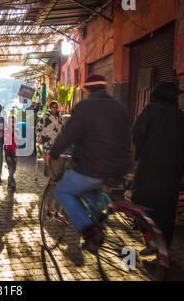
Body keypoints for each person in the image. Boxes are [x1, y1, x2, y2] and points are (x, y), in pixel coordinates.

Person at [46, 74, 131, 252]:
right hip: (118, 167)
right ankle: (98, 222)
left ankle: (91, 230)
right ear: (104, 87)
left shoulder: (84, 107)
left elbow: (67, 136)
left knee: (62, 190)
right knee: (93, 195)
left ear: (87, 90)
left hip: (91, 167)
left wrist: (53, 153)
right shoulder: (119, 107)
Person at [131, 82, 184, 257]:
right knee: (166, 211)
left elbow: (137, 135)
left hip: (148, 170)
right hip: (171, 174)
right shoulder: (180, 115)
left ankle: (150, 242)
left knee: (140, 206)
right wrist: (180, 170)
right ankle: (163, 249)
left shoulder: (150, 110)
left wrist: (140, 156)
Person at [36, 101, 64, 178]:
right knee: (48, 155)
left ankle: (54, 172)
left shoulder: (60, 117)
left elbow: (62, 127)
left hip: (56, 139)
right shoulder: (45, 116)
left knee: (55, 155)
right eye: (53, 107)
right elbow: (39, 127)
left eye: (56, 107)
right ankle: (48, 172)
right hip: (47, 138)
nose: (55, 109)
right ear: (50, 108)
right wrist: (39, 137)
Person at [5, 115, 20, 191]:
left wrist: (14, 133)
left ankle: (9, 178)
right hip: (8, 151)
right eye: (10, 121)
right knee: (10, 168)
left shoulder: (17, 130)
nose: (12, 123)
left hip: (15, 152)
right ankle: (12, 183)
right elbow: (4, 140)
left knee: (14, 168)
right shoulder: (6, 130)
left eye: (13, 121)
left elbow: (19, 140)